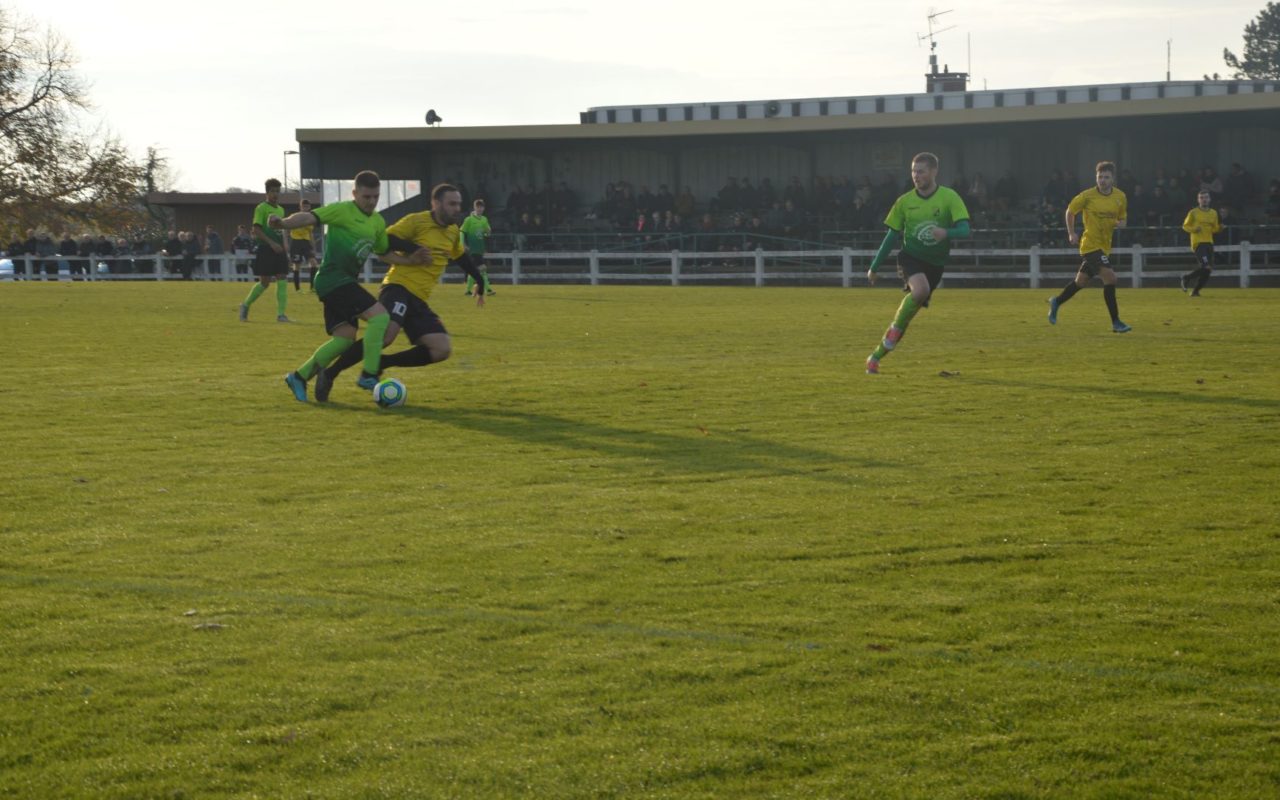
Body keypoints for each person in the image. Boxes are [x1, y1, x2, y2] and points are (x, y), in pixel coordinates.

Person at [310, 182, 488, 403]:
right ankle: (330, 374)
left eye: (458, 204)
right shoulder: (416, 221)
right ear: (436, 203)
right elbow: (385, 239)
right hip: (398, 287)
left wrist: (479, 280)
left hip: (419, 299)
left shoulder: (452, 231)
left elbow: (460, 256)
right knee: (386, 336)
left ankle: (382, 363)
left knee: (441, 349)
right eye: (452, 204)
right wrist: (413, 249)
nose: (457, 208)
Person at [275, 170, 431, 402]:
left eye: (376, 197)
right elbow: (308, 218)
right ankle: (369, 374)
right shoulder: (342, 210)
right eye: (366, 196)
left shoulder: (377, 222)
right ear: (355, 193)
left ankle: (299, 376)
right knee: (380, 317)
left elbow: (384, 253)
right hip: (333, 279)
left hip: (343, 282)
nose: (371, 201)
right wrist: (283, 223)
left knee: (344, 339)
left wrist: (411, 261)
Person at [864, 152, 971, 375]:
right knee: (920, 290)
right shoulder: (904, 202)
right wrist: (874, 267)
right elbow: (891, 236)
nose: (916, 175)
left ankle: (876, 356)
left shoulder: (949, 197)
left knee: (910, 313)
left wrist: (946, 232)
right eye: (913, 171)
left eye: (920, 171)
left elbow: (965, 229)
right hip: (910, 258)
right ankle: (894, 329)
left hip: (935, 265)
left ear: (934, 172)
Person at [1047, 162, 1131, 332]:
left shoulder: (1120, 197)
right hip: (1090, 245)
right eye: (1100, 177)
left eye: (1106, 177)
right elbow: (1070, 211)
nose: (1103, 180)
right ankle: (1116, 322)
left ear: (1112, 179)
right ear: (1096, 178)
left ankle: (1057, 301)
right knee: (1110, 278)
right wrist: (1071, 233)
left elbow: (1123, 219)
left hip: (1104, 246)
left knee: (1081, 282)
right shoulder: (1087, 196)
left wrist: (1120, 223)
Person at [239, 178, 291, 322]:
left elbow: (282, 229)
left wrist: (285, 244)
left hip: (279, 249)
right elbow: (256, 229)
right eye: (273, 191)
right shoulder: (261, 208)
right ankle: (245, 305)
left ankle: (281, 315)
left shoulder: (281, 210)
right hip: (266, 248)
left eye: (278, 191)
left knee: (282, 278)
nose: (276, 194)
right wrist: (271, 243)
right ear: (267, 192)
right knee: (265, 282)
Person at [1180, 190, 1221, 297]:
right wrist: (1194, 229)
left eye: (1206, 197)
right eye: (1201, 198)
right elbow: (1185, 226)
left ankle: (1195, 291)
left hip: (1209, 242)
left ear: (1209, 199)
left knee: (1208, 270)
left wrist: (1219, 228)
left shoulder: (1213, 213)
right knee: (1206, 266)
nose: (1204, 200)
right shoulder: (1193, 212)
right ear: (1198, 200)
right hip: (1198, 243)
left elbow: (1214, 229)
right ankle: (1186, 278)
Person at [460, 198, 494, 296]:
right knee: (482, 268)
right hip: (472, 249)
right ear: (474, 207)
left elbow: (486, 234)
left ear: (484, 208)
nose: (480, 209)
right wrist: (463, 244)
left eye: (481, 207)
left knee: (475, 270)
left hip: (480, 248)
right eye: (478, 207)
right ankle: (488, 290)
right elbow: (462, 232)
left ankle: (468, 290)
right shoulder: (469, 220)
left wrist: (488, 233)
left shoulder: (484, 219)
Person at [288, 199, 319, 292]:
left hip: (306, 242)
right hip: (296, 242)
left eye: (307, 207)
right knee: (297, 265)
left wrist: (313, 246)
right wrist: (285, 242)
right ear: (300, 207)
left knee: (313, 263)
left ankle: (312, 287)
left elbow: (310, 233)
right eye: (304, 206)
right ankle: (297, 289)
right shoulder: (295, 216)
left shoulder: (311, 218)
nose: (306, 208)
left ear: (309, 207)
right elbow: (286, 227)